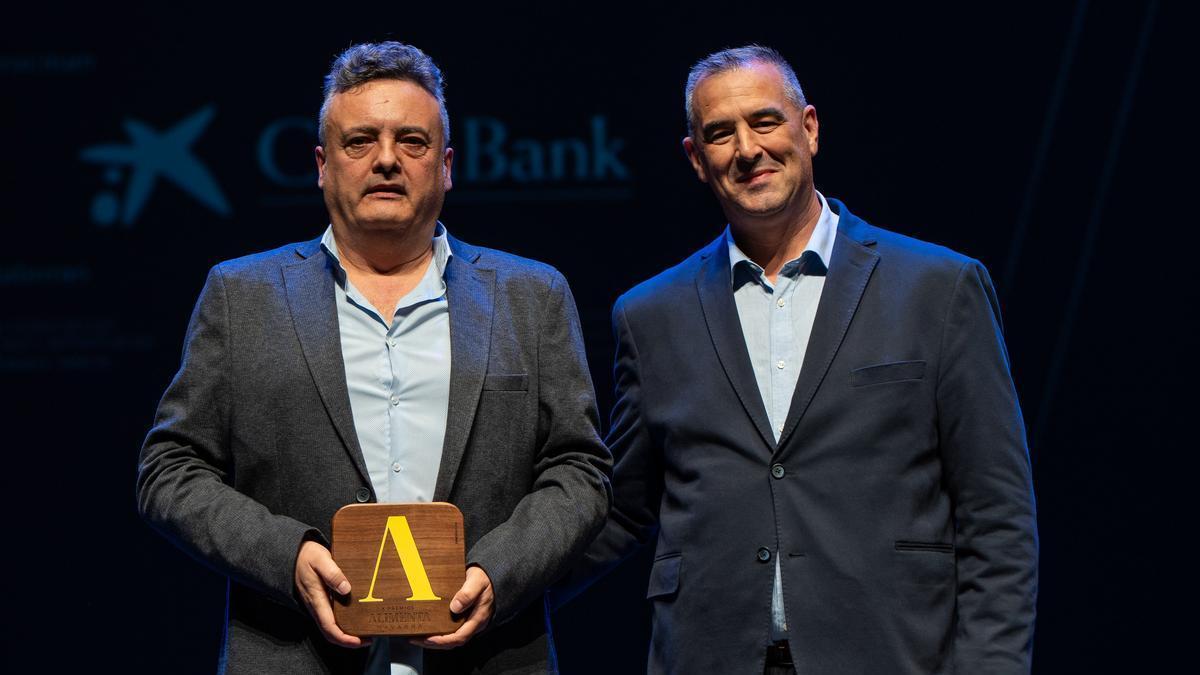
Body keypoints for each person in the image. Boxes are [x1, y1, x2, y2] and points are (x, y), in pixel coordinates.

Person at [556, 45, 1038, 674]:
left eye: (764, 122)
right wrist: (493, 583)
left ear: (808, 128)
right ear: (696, 159)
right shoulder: (651, 315)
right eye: (720, 134)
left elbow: (996, 518)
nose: (747, 149)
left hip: (894, 655)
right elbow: (621, 510)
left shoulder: (939, 288)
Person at [137, 41, 611, 675]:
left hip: (491, 658)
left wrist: (501, 572)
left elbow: (580, 471)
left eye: (411, 142)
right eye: (360, 141)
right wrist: (288, 557)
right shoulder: (240, 296)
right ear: (322, 164)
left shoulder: (531, 296)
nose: (387, 160)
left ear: (445, 167)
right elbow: (170, 468)